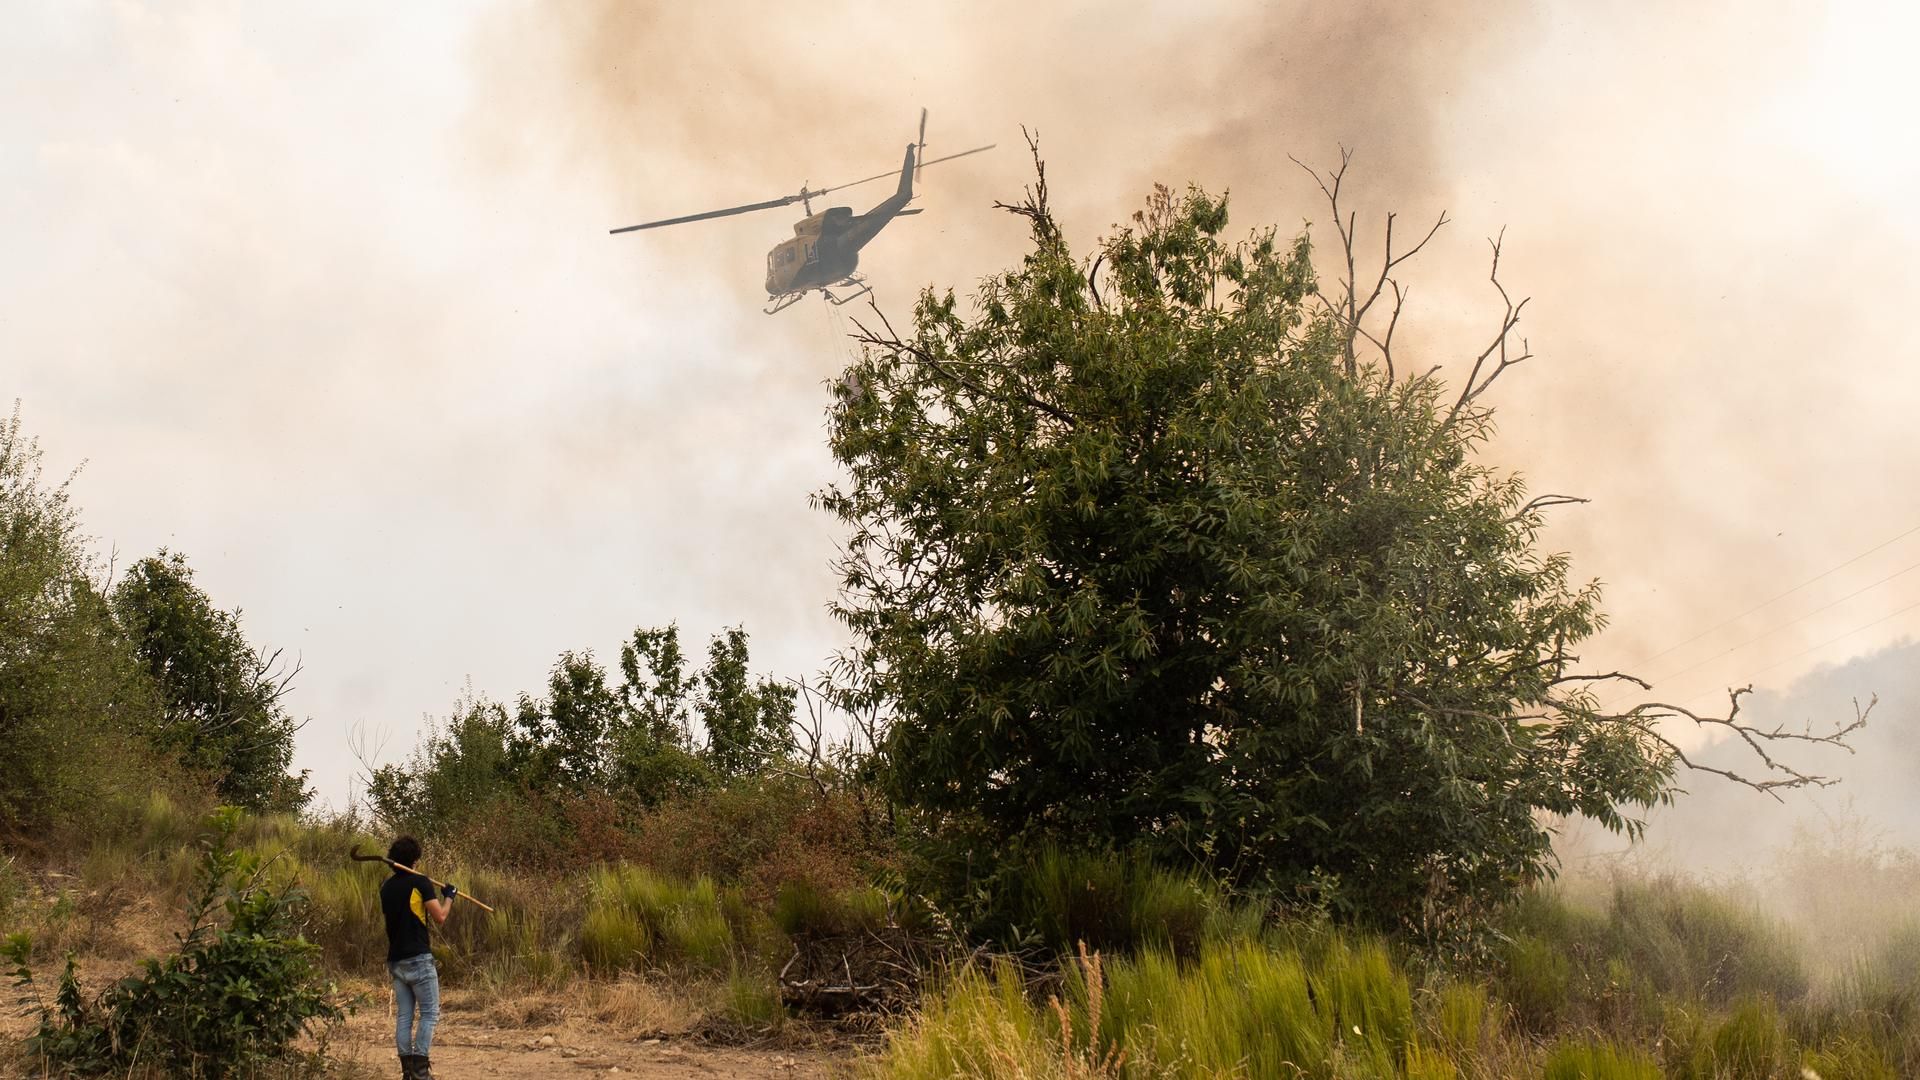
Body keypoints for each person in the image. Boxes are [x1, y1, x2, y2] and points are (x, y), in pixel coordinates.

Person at [379, 835, 455, 1080]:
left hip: (396, 960)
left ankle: (408, 1072)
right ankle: (421, 1072)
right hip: (419, 958)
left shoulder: (386, 887)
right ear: (414, 860)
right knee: (430, 1013)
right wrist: (449, 896)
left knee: (404, 1016)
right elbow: (440, 917)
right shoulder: (420, 882)